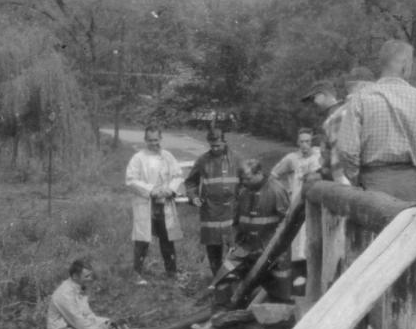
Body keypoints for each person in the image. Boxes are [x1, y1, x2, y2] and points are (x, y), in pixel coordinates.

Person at [333, 40, 416, 207]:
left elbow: (346, 150)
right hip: (412, 188)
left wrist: (358, 180)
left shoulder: (361, 98)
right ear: (405, 65)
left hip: (371, 186)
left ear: (382, 63)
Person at [212, 158, 293, 302]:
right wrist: (233, 241)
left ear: (259, 173)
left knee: (279, 289)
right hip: (246, 248)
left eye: (248, 179)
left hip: (271, 250)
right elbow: (236, 221)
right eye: (242, 179)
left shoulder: (276, 190)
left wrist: (277, 248)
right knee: (224, 277)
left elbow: (288, 223)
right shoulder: (243, 192)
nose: (244, 183)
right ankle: (224, 312)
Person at [125, 125, 184, 284]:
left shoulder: (167, 156)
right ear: (145, 140)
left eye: (156, 140)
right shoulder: (138, 158)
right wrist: (151, 190)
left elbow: (178, 175)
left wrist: (170, 190)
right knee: (142, 240)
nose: (153, 143)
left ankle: (171, 272)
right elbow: (131, 180)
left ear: (160, 138)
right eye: (150, 140)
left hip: (164, 204)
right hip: (146, 204)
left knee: (167, 239)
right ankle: (137, 272)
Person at [184, 129, 240, 276]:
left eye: (218, 146)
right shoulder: (203, 160)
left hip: (231, 210)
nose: (215, 149)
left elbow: (245, 182)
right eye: (212, 146)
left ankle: (232, 276)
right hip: (210, 211)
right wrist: (193, 196)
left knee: (234, 245)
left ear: (224, 142)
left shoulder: (236, 159)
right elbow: (190, 182)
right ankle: (216, 278)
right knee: (213, 246)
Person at [270, 128, 322, 286]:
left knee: (314, 244)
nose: (305, 145)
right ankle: (298, 286)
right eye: (302, 142)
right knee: (298, 246)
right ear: (297, 143)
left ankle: (315, 283)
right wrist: (284, 194)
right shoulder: (292, 158)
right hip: (297, 207)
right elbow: (273, 175)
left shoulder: (318, 156)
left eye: (308, 141)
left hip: (316, 207)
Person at [46, 259, 113, 329]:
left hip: (75, 328)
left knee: (110, 325)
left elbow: (88, 315)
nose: (90, 279)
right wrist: (100, 328)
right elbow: (79, 322)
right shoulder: (65, 294)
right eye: (87, 276)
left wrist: (106, 323)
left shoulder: (80, 289)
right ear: (75, 276)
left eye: (90, 275)